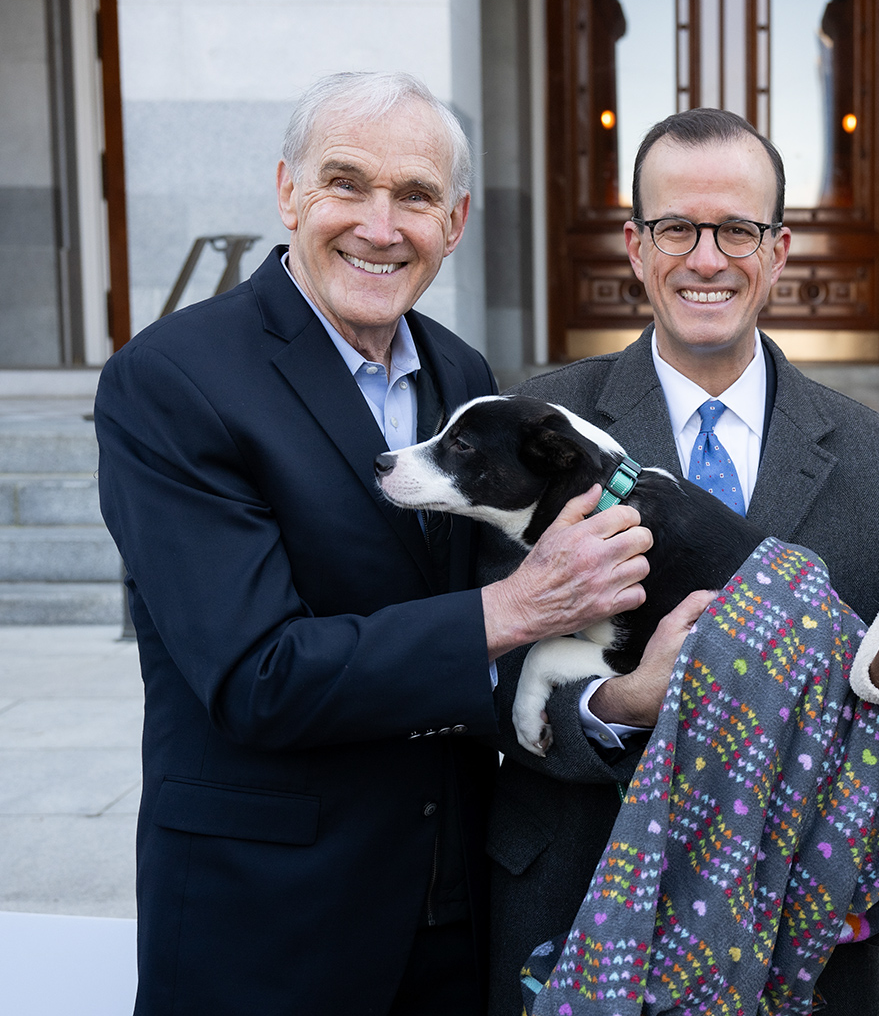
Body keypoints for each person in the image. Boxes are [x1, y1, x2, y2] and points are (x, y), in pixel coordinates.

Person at [95, 72, 656, 1016]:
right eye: (346, 183)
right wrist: (514, 608)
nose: (380, 225)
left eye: (416, 196)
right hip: (270, 923)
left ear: (458, 219)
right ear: (287, 192)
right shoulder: (171, 380)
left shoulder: (462, 375)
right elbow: (254, 673)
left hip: (453, 912)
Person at [486, 107, 879, 1014]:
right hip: (575, 898)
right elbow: (479, 669)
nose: (707, 257)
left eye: (737, 229)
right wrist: (619, 705)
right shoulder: (540, 420)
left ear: (778, 247)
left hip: (796, 932)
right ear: (636, 245)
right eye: (677, 227)